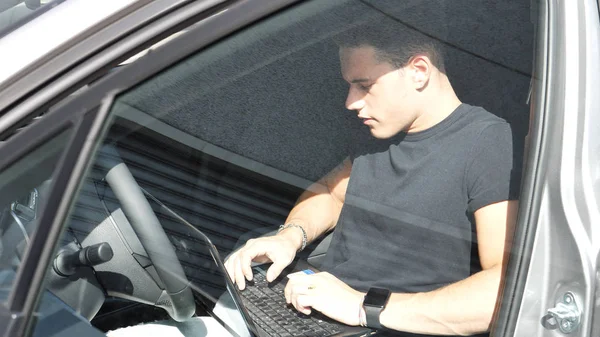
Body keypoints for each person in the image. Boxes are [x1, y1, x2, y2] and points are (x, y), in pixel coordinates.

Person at [225, 21, 521, 337]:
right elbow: (331, 193)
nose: (350, 102)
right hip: (318, 312)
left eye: (364, 85)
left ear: (418, 71)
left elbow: (505, 289)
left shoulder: (488, 141)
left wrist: (362, 307)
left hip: (394, 325)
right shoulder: (380, 130)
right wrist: (288, 237)